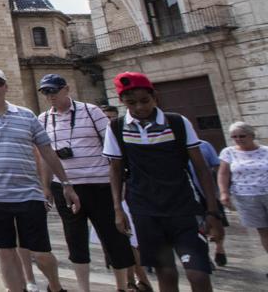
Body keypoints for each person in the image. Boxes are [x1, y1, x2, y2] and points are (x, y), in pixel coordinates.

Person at [105, 72, 222, 292]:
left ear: (154, 97)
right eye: (131, 103)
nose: (139, 108)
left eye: (144, 101)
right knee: (165, 273)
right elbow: (115, 170)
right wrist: (117, 209)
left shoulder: (177, 122)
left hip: (183, 208)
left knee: (198, 274)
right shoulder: (116, 128)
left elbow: (201, 169)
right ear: (122, 102)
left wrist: (213, 211)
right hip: (145, 209)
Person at [0, 67, 79, 292]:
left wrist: (66, 184)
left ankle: (55, 287)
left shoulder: (26, 115)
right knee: (5, 252)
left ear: (6, 87)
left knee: (41, 252)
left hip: (29, 194)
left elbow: (47, 151)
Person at [35, 74, 136, 292]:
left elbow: (112, 148)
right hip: (65, 187)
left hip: (99, 184)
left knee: (113, 237)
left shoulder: (92, 112)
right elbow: (44, 156)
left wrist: (119, 184)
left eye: (54, 90)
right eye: (46, 92)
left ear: (67, 89)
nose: (50, 96)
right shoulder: (43, 119)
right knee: (75, 240)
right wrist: (45, 187)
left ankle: (122, 286)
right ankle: (84, 289)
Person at [218, 122, 268, 273]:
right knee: (263, 230)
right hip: (245, 196)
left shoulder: (265, 151)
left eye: (242, 136)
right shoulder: (229, 152)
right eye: (234, 137)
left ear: (252, 135)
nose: (238, 139)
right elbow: (223, 173)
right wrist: (224, 192)